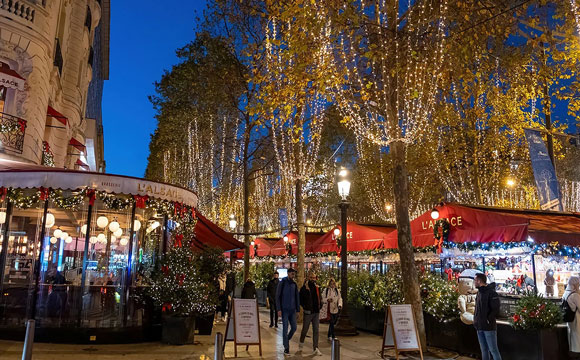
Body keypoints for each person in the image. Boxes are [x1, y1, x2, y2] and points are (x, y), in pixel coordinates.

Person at [473, 273, 502, 360]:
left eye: (475, 280)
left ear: (479, 281)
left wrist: (488, 319)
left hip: (488, 327)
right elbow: (477, 308)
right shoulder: (479, 292)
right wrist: (476, 320)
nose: (474, 282)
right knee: (484, 350)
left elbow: (496, 309)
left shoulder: (492, 293)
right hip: (479, 326)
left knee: (493, 350)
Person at [276, 268, 300, 357]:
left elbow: (297, 297)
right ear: (288, 274)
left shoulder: (294, 284)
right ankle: (286, 348)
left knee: (294, 327)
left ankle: (286, 339)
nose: (293, 276)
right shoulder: (282, 283)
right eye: (292, 274)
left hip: (292, 310)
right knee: (285, 328)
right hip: (284, 310)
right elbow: (277, 296)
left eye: (294, 274)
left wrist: (298, 310)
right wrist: (279, 309)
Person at [299, 272, 323, 356]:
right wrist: (305, 306)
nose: (313, 279)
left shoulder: (317, 288)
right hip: (308, 312)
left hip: (316, 311)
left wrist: (320, 305)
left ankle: (315, 348)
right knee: (305, 329)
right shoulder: (305, 288)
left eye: (314, 277)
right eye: (312, 277)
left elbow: (319, 297)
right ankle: (301, 344)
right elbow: (301, 299)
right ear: (308, 278)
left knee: (316, 330)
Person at [563, 276, 580, 357]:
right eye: (578, 283)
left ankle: (573, 353)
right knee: (577, 339)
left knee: (572, 337)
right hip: (577, 320)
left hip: (569, 320)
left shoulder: (565, 293)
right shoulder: (575, 295)